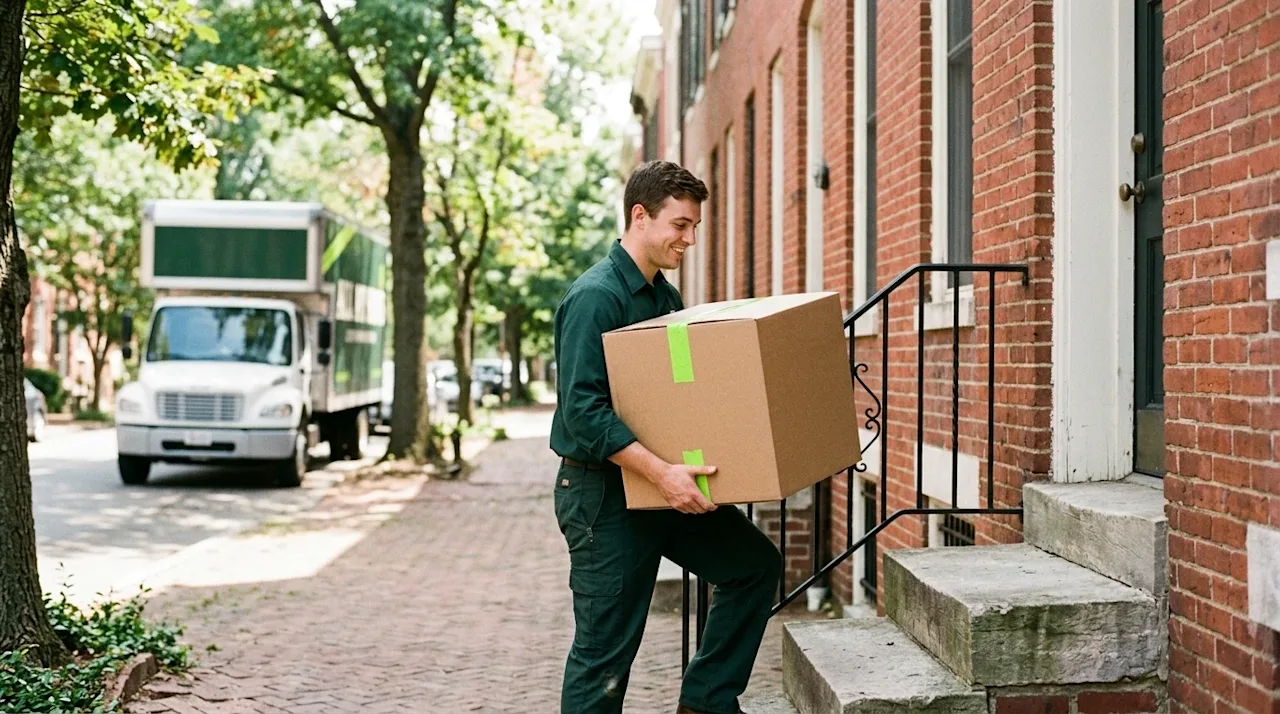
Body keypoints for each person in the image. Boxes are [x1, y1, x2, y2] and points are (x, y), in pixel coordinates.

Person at [549, 160, 783, 714]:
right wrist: (662, 474)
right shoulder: (595, 298)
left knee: (753, 566)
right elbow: (582, 411)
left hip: (662, 486)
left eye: (694, 226)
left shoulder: (666, 300)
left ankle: (705, 703)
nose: (690, 239)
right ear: (639, 216)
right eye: (680, 225)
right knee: (604, 655)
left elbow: (681, 396)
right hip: (603, 497)